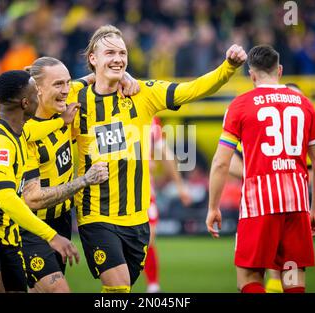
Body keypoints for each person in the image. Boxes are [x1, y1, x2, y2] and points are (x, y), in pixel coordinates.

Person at [68, 24, 246, 293]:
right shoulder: (73, 97)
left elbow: (193, 90)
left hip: (137, 218)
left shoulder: (142, 94)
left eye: (122, 53)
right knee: (118, 288)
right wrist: (87, 80)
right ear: (93, 58)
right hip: (96, 215)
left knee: (122, 288)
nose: (117, 59)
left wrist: (228, 68)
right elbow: (40, 90)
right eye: (110, 53)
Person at [206, 45, 315, 293]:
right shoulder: (305, 104)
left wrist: (213, 207)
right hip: (297, 203)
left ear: (251, 74)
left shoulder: (239, 106)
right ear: (279, 70)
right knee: (293, 277)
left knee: (249, 277)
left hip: (259, 203)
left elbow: (220, 162)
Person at [0, 70, 79, 293]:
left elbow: (35, 130)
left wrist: (61, 121)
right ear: (25, 102)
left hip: (8, 238)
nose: (40, 98)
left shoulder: (15, 127)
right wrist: (52, 236)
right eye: (36, 94)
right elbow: (7, 199)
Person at [21, 56, 139, 293]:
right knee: (59, 291)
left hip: (61, 220)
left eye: (67, 83)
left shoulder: (64, 105)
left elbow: (96, 76)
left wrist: (125, 76)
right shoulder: (24, 133)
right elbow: (31, 198)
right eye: (58, 85)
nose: (67, 91)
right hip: (30, 224)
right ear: (37, 89)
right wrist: (84, 180)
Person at [144, 116, 192, 293]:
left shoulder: (151, 118)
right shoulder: (108, 107)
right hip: (116, 190)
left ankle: (153, 286)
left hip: (144, 189)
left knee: (148, 237)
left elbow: (165, 153)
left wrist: (180, 186)